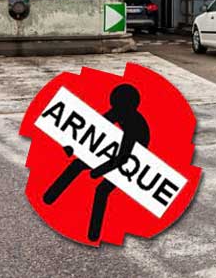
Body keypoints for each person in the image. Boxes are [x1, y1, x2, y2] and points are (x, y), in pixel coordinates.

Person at [41, 83, 150, 242]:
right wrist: (72, 144)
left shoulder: (135, 124)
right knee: (77, 164)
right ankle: (50, 197)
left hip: (133, 158)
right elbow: (97, 126)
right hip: (115, 149)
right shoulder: (119, 111)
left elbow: (124, 157)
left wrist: (99, 171)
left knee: (102, 190)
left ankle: (94, 234)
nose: (114, 108)